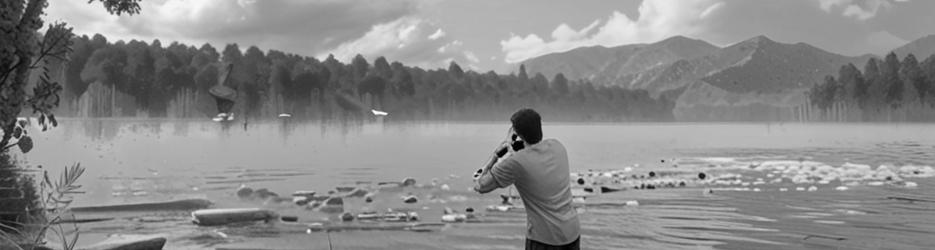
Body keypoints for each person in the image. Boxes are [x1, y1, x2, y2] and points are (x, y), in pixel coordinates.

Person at [474, 108, 581, 250]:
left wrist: (495, 157)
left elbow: (481, 186)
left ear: (518, 135)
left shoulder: (515, 163)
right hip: (572, 232)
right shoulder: (558, 146)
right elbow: (534, 158)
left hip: (544, 239)